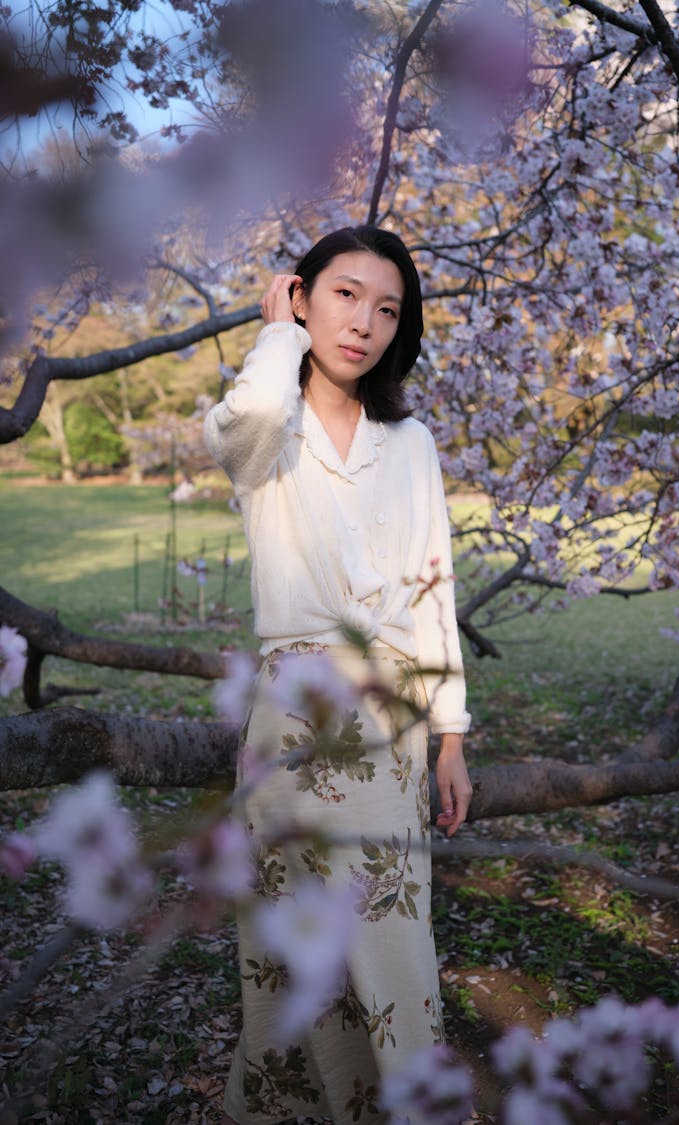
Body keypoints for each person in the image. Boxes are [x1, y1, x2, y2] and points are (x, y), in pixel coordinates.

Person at [204, 225, 473, 1125]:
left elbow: (435, 589)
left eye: (387, 308)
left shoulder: (412, 444)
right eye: (345, 294)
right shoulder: (264, 425)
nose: (364, 322)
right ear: (302, 296)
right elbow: (248, 424)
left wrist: (452, 735)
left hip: (387, 724)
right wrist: (276, 337)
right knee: (289, 950)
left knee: (391, 944)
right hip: (284, 720)